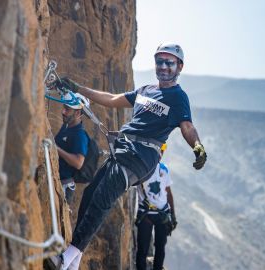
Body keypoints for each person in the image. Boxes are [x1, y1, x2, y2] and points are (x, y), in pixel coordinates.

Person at [49, 42, 207, 270]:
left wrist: (198, 147)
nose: (163, 66)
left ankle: (65, 259)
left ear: (179, 66)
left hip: (141, 156)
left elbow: (187, 126)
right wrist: (78, 88)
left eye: (169, 62)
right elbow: (112, 99)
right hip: (123, 151)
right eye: (159, 61)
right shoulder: (145, 91)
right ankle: (74, 261)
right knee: (91, 195)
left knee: (102, 199)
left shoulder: (177, 97)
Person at [135, 143, 177, 270]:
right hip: (151, 214)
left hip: (156, 214)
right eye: (159, 151)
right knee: (148, 248)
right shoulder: (142, 169)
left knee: (156, 247)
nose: (161, 154)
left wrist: (173, 215)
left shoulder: (162, 169)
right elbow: (168, 193)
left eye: (162, 151)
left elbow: (168, 192)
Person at [54, 93, 89, 201]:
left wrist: (57, 149)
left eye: (67, 109)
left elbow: (78, 163)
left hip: (64, 187)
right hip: (56, 180)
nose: (63, 112)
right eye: (64, 108)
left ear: (78, 113)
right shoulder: (66, 126)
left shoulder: (80, 135)